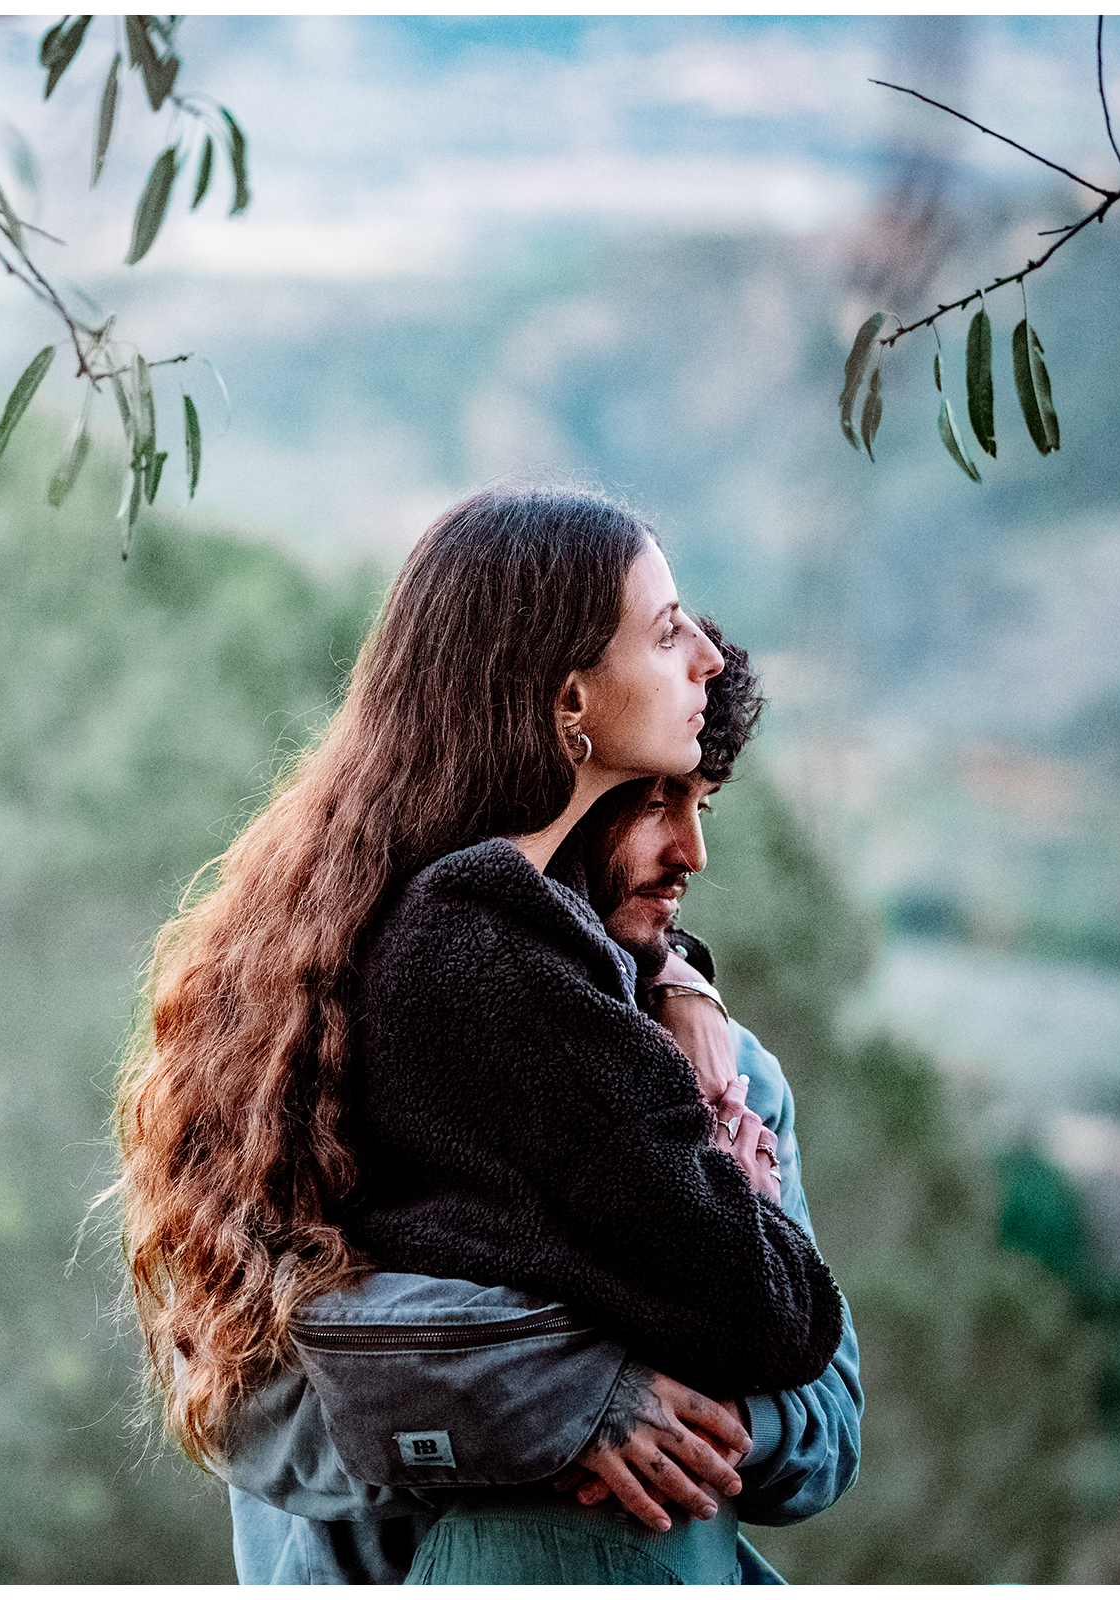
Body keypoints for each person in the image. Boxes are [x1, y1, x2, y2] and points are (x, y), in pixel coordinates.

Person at [112, 486, 844, 1583]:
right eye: (651, 800)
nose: (690, 850)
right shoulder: (301, 1022)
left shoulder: (722, 1070)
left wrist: (694, 1419)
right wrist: (567, 1400)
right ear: (567, 731)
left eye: (706, 805)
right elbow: (243, 1394)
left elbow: (823, 1408)